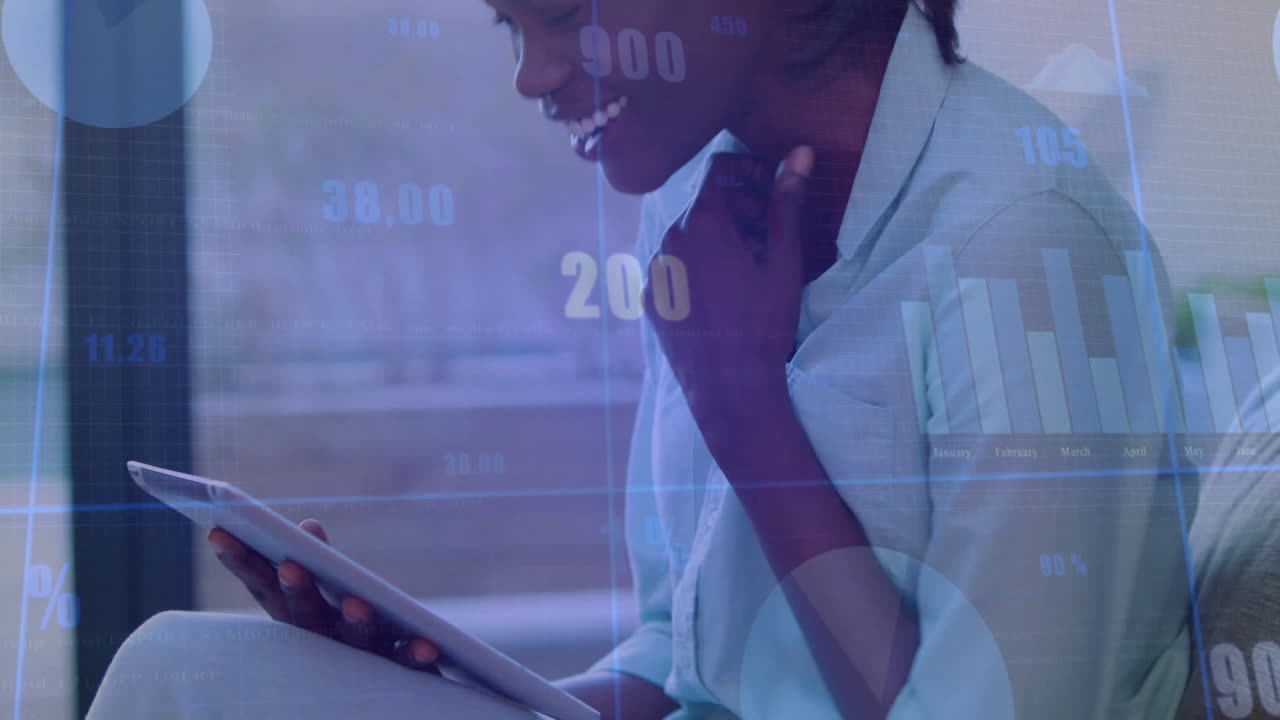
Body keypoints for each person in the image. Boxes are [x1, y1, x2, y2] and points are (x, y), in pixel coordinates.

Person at [88, 1, 1198, 718]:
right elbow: (684, 657)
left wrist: (743, 409)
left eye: (564, 12)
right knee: (200, 677)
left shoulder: (1027, 245)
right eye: (506, 25)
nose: (530, 74)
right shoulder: (693, 205)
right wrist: (460, 685)